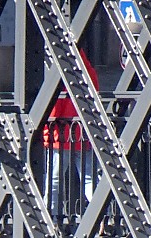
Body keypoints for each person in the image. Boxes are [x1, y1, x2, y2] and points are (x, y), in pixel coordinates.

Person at [44, 47, 99, 219]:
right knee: (89, 179)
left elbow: (54, 108)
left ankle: (51, 217)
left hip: (62, 136)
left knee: (54, 180)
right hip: (83, 135)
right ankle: (98, 218)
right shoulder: (89, 72)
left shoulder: (60, 72)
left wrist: (46, 132)